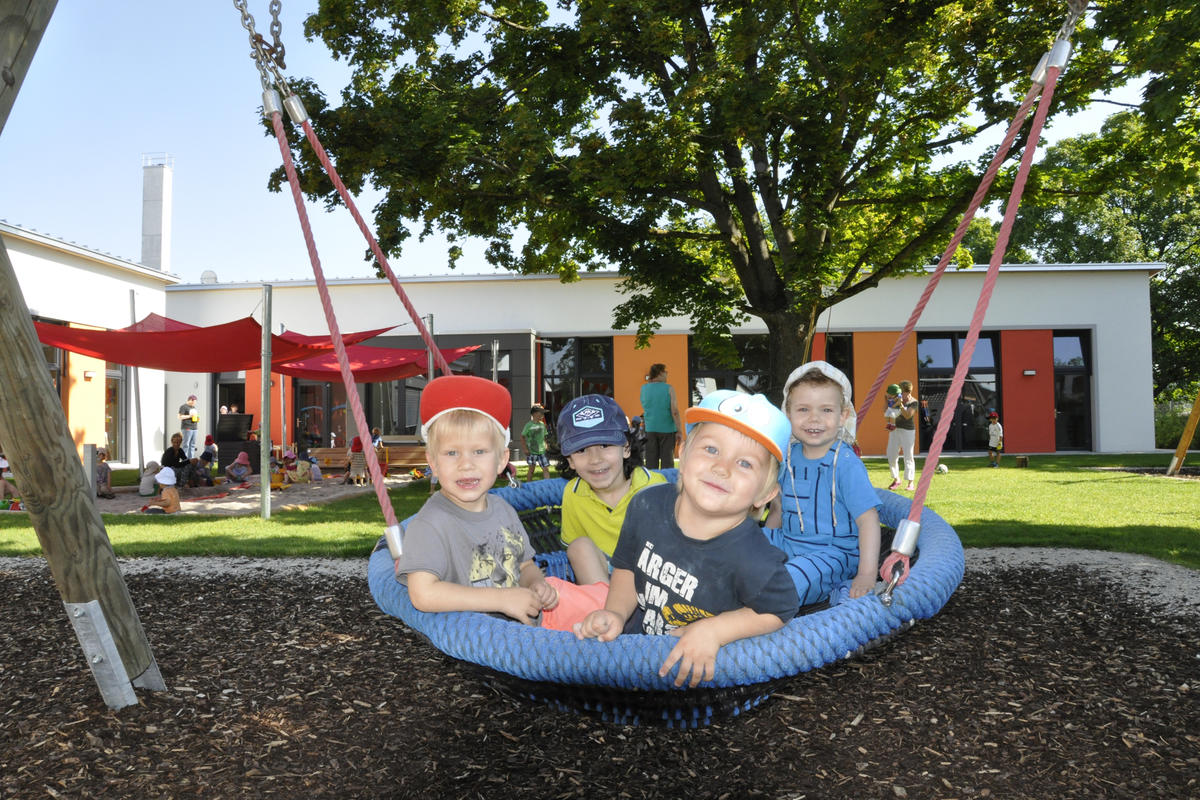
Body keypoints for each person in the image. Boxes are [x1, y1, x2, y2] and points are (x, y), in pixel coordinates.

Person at [575, 390, 800, 688]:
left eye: (745, 463)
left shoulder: (754, 557)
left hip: (702, 676)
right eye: (711, 449)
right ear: (683, 455)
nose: (722, 468)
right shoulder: (646, 506)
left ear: (765, 495)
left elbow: (779, 610)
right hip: (633, 661)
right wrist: (615, 611)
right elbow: (628, 568)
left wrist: (715, 631)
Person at [392, 375, 606, 632]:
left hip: (540, 616)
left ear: (502, 459)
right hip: (506, 632)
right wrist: (502, 599)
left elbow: (525, 566)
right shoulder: (430, 524)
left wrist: (536, 584)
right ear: (433, 461)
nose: (466, 464)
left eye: (479, 451)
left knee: (609, 605)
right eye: (451, 453)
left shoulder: (503, 510)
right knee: (608, 614)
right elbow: (423, 594)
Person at [765, 361, 883, 603]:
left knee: (791, 578)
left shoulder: (845, 463)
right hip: (788, 543)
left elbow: (868, 520)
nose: (814, 419)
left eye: (826, 410)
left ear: (843, 416)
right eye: (803, 410)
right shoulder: (787, 457)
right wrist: (762, 542)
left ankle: (754, 611)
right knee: (737, 549)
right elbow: (778, 508)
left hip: (832, 554)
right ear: (787, 414)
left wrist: (867, 574)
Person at [555, 395, 667, 586]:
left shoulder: (655, 488)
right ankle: (607, 612)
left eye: (605, 445)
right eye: (581, 450)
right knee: (578, 547)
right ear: (570, 461)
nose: (595, 459)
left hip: (652, 572)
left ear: (626, 448)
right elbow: (577, 553)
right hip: (604, 576)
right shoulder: (573, 494)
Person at [639, 363, 683, 471]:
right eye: (665, 372)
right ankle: (666, 486)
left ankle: (651, 485)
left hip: (650, 429)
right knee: (667, 462)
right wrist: (679, 430)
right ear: (660, 373)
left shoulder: (644, 388)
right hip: (667, 430)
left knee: (650, 461)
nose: (667, 375)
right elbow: (675, 411)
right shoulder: (669, 388)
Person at [885, 380, 919, 491]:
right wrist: (887, 400)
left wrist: (900, 404)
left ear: (908, 392)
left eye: (902, 392)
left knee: (908, 456)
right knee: (891, 454)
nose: (900, 394)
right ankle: (896, 479)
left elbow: (908, 415)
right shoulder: (895, 399)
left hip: (908, 431)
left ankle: (910, 483)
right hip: (895, 430)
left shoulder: (914, 402)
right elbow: (886, 411)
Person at [520, 404, 551, 482]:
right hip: (532, 451)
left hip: (542, 451)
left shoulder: (542, 425)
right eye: (541, 413)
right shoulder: (528, 425)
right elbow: (522, 437)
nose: (543, 415)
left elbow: (544, 436)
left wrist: (546, 445)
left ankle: (548, 485)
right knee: (531, 470)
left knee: (546, 469)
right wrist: (525, 449)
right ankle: (528, 485)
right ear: (534, 414)